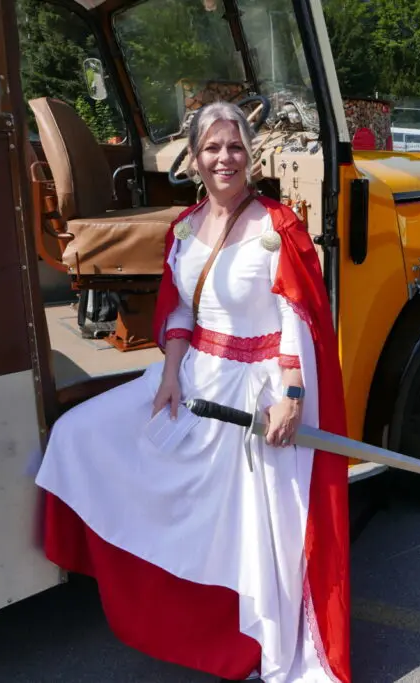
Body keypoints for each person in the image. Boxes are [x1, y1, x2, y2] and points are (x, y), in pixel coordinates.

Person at [34, 102, 351, 683]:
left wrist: (291, 395)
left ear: (249, 154)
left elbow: (296, 320)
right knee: (80, 433)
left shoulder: (277, 226)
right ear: (195, 157)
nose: (224, 157)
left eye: (234, 146)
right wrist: (171, 373)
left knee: (253, 529)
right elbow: (181, 307)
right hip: (193, 376)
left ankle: (250, 641)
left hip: (254, 389)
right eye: (212, 147)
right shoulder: (183, 227)